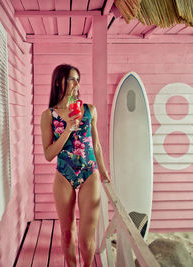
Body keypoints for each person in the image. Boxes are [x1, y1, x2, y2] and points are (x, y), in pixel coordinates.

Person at [40, 64, 111, 267]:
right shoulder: (49, 116)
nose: (76, 83)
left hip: (90, 173)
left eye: (78, 79)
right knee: (67, 232)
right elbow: (48, 154)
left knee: (86, 238)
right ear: (58, 82)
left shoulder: (89, 110)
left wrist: (104, 172)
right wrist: (68, 129)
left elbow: (95, 144)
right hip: (64, 176)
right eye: (71, 79)